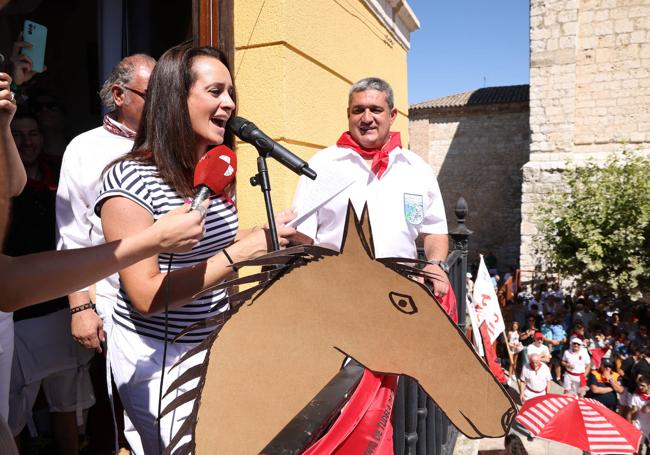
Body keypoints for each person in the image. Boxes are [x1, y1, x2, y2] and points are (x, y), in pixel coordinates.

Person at [95, 44, 296, 453]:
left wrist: (268, 235)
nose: (230, 104)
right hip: (157, 354)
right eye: (215, 91)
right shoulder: (128, 181)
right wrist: (241, 254)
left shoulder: (211, 176)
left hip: (213, 339)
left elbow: (209, 249)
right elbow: (146, 295)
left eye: (231, 92)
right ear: (175, 98)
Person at [291, 76, 450, 298]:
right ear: (348, 114)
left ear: (392, 115)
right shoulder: (322, 164)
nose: (367, 118)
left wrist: (434, 264)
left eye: (375, 109)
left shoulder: (417, 168)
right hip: (334, 293)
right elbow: (302, 237)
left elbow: (435, 231)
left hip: (401, 295)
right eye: (358, 110)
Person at [6, 109, 94, 454]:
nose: (27, 141)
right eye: (18, 134)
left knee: (67, 400)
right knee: (13, 407)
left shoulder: (57, 174)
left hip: (60, 302)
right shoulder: (3, 183)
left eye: (32, 134)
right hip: (18, 312)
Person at [57, 53, 155, 354]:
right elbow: (71, 236)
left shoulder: (172, 145)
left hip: (170, 298)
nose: (161, 104)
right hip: (114, 304)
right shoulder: (85, 148)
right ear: (118, 95)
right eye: (151, 95)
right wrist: (80, 308)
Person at [630, 374, 650, 449]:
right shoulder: (636, 396)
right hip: (639, 425)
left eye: (642, 385)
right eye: (639, 385)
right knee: (636, 447)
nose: (640, 387)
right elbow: (634, 411)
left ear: (649, 385)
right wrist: (633, 424)